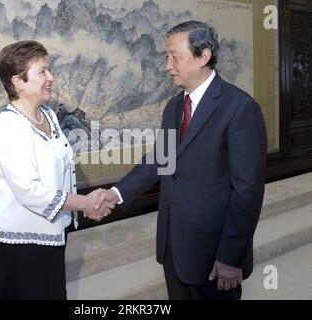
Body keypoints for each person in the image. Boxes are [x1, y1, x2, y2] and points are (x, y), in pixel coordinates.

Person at [88, 21, 267, 300]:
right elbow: (162, 159)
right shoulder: (174, 107)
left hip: (215, 254)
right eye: (166, 57)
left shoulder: (240, 108)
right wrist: (116, 194)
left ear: (203, 56)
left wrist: (231, 257)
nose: (167, 65)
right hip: (174, 247)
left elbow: (248, 193)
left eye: (175, 56)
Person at [0, 40, 114, 300]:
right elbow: (30, 191)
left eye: (49, 70)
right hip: (20, 245)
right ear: (18, 81)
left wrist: (83, 205)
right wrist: (86, 203)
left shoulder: (48, 116)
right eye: (42, 71)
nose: (51, 77)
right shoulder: (8, 126)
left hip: (52, 235)